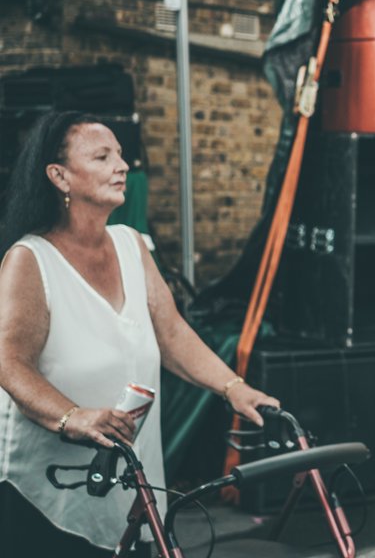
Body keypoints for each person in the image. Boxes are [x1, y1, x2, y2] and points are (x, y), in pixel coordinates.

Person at [0, 111, 279, 556]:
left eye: (122, 155)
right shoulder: (30, 260)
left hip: (130, 482)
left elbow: (172, 334)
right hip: (48, 490)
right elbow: (9, 363)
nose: (122, 165)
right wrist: (74, 416)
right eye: (102, 156)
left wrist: (233, 387)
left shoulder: (131, 244)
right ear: (59, 176)